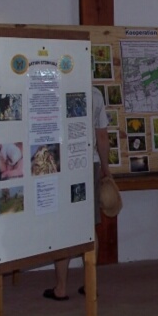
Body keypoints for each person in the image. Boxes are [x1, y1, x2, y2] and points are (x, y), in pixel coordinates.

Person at [43, 86, 112, 300]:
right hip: (87, 164)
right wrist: (106, 169)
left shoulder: (51, 88)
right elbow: (102, 137)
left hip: (59, 165)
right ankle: (90, 284)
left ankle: (61, 288)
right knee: (88, 225)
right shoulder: (95, 93)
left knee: (62, 227)